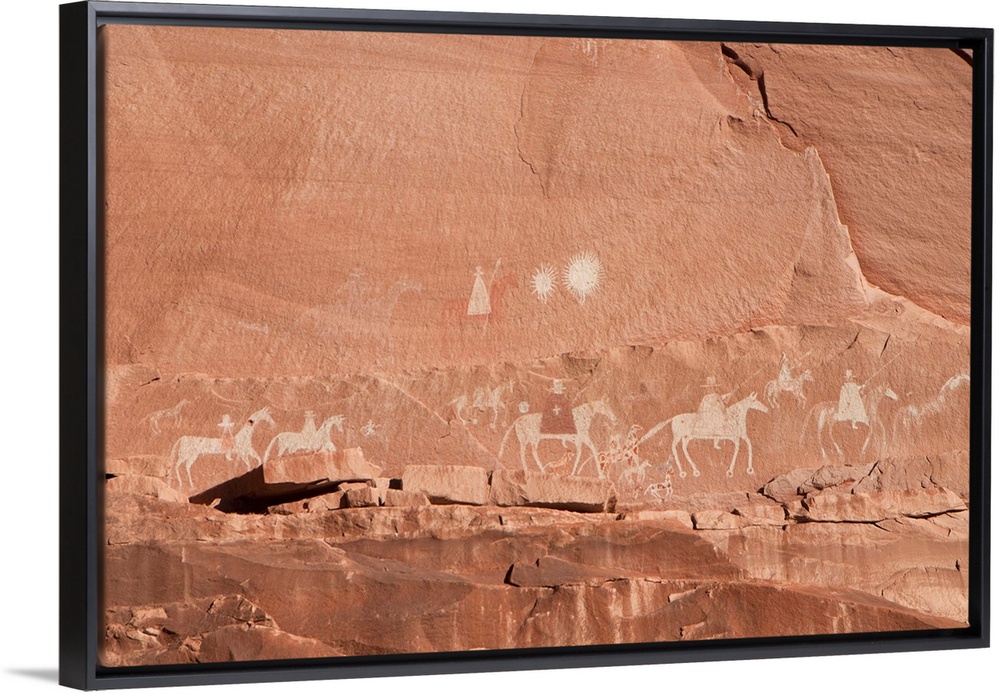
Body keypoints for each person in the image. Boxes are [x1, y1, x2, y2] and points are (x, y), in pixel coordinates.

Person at [694, 376, 734, 443]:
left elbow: (700, 408)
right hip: (713, 418)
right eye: (709, 388)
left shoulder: (709, 397)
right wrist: (725, 413)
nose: (710, 389)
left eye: (711, 388)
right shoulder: (713, 396)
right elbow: (722, 406)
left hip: (708, 418)